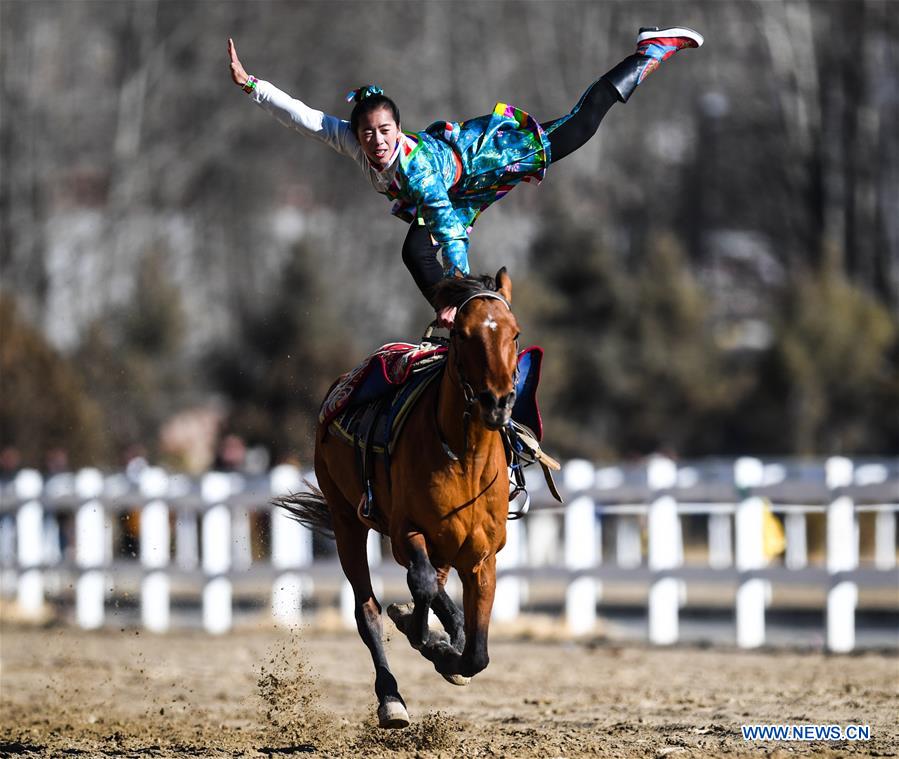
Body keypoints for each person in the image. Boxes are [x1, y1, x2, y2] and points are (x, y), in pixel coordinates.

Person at [228, 27, 703, 327]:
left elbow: (447, 227)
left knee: (579, 125)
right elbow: (305, 117)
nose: (376, 141)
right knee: (414, 250)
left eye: (385, 131)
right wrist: (253, 86)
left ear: (398, 128)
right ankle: (450, 307)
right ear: (356, 134)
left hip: (484, 161)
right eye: (368, 133)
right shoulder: (352, 141)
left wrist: (461, 288)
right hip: (459, 192)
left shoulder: (417, 170)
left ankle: (651, 50)